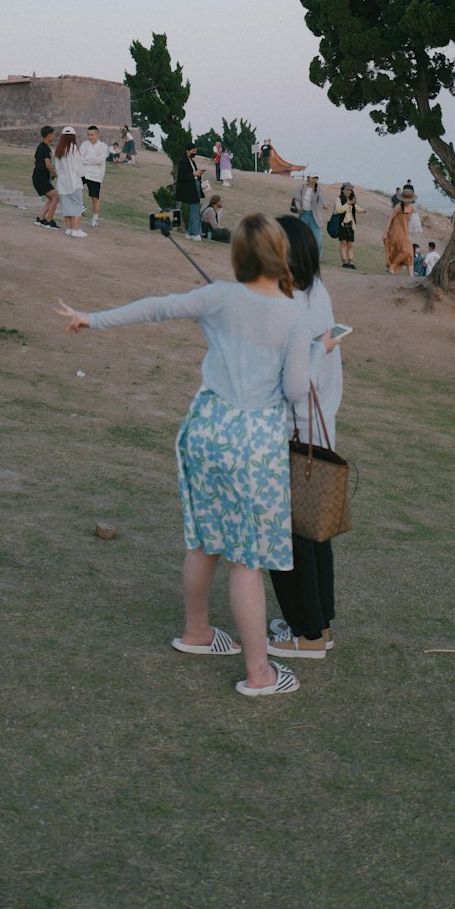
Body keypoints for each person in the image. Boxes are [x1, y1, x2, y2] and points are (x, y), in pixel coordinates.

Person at [55, 212, 309, 698]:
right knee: (247, 560)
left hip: (206, 428)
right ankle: (260, 673)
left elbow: (157, 307)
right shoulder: (294, 314)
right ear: (281, 254)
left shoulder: (219, 296)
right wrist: (315, 352)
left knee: (203, 538)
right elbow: (297, 390)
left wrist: (91, 318)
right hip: (253, 442)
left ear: (239, 255)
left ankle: (196, 632)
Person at [268, 215, 344, 660]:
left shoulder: (292, 304)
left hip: (294, 435)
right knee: (315, 536)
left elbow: (295, 383)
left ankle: (308, 636)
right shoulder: (317, 291)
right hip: (320, 432)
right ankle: (319, 626)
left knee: (289, 539)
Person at [55, 126, 87, 239]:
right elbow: (77, 166)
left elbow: (57, 168)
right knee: (77, 205)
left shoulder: (59, 149)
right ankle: (76, 229)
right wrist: (83, 174)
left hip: (62, 183)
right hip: (74, 182)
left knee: (66, 206)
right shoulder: (73, 148)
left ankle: (69, 229)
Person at [79, 125, 110, 227]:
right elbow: (80, 158)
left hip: (96, 175)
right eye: (88, 135)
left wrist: (86, 160)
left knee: (95, 198)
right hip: (83, 172)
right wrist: (90, 161)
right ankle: (80, 205)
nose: (90, 137)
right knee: (74, 186)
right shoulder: (84, 144)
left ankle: (95, 219)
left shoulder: (103, 146)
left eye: (92, 135)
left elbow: (100, 160)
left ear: (97, 134)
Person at [175, 141, 204, 239]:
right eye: (193, 151)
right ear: (187, 151)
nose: (194, 153)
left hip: (194, 186)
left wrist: (198, 174)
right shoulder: (183, 161)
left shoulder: (192, 161)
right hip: (189, 188)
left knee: (194, 210)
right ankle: (195, 233)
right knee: (194, 210)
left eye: (195, 151)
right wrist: (194, 174)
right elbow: (182, 176)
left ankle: (191, 233)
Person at [295, 175, 329, 259]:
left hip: (314, 216)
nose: (314, 180)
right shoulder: (302, 187)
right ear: (308, 178)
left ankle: (317, 258)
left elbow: (322, 197)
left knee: (317, 238)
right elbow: (297, 200)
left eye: (316, 178)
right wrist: (299, 208)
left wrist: (324, 204)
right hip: (303, 214)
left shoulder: (318, 189)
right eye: (313, 178)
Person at [32, 126, 59, 229]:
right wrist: (55, 174)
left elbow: (35, 161)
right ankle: (49, 221)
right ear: (49, 135)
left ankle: (40, 218)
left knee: (51, 198)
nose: (53, 136)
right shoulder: (46, 148)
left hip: (37, 177)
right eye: (53, 134)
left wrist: (42, 171)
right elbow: (48, 165)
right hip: (41, 178)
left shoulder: (40, 146)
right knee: (56, 197)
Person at [384, 197, 414, 276]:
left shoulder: (411, 208)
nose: (407, 201)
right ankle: (392, 267)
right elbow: (390, 218)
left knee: (410, 254)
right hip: (396, 233)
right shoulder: (399, 207)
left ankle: (411, 277)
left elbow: (407, 222)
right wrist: (386, 231)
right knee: (406, 251)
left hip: (404, 233)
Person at [334, 182, 358, 269]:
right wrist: (348, 203)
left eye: (350, 190)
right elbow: (339, 210)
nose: (349, 191)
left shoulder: (352, 200)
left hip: (351, 226)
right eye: (347, 189)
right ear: (342, 190)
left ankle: (351, 262)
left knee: (350, 244)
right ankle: (344, 262)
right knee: (343, 243)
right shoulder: (338, 199)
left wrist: (362, 210)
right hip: (342, 225)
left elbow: (356, 208)